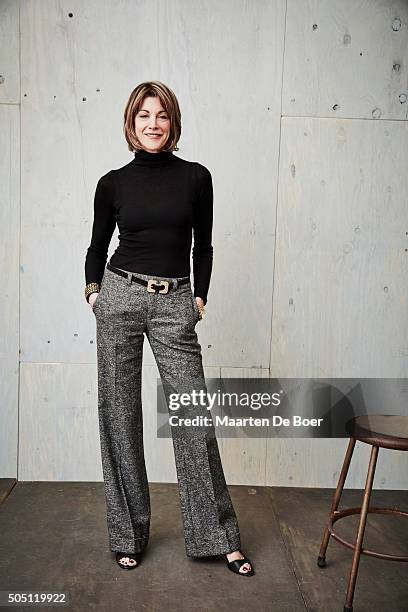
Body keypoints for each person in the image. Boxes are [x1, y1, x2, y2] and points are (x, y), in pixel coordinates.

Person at [84, 81, 254, 576]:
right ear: (131, 124)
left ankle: (217, 536)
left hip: (175, 300)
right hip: (119, 295)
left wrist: (198, 298)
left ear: (173, 122)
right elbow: (97, 245)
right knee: (118, 416)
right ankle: (126, 535)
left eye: (161, 115)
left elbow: (205, 244)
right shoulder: (112, 183)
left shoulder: (196, 178)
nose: (152, 123)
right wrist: (95, 292)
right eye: (143, 115)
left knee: (192, 416)